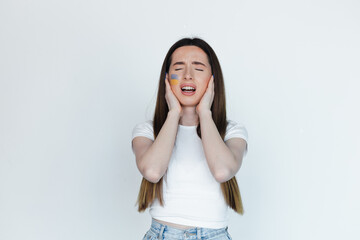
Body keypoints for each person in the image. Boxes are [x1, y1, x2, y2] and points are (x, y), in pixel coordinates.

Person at [131, 38, 248, 240]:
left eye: (198, 68)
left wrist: (204, 112)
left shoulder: (232, 132)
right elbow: (152, 171)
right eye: (179, 67)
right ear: (167, 79)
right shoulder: (147, 131)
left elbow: (222, 171)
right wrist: (174, 113)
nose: (187, 75)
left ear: (213, 79)